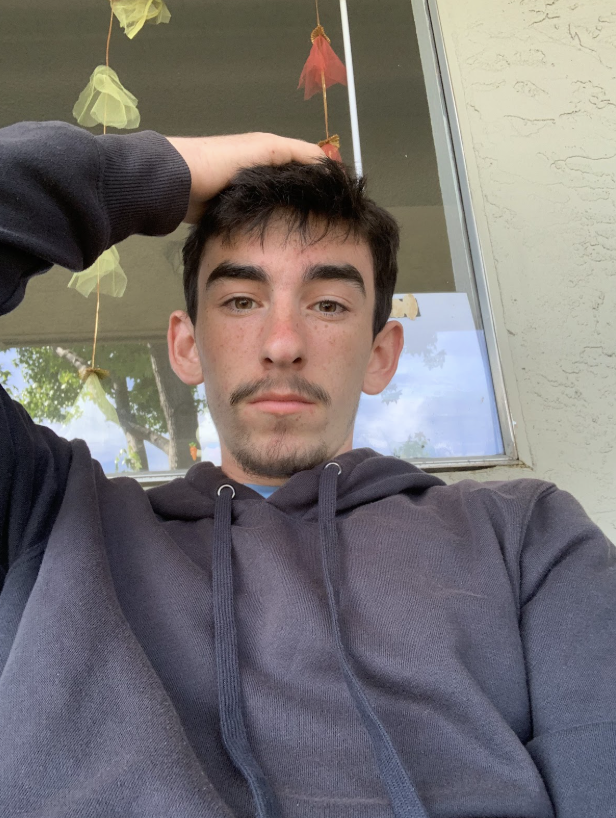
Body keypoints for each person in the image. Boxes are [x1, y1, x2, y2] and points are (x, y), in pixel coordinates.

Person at [0, 121, 614, 818]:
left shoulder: (526, 536)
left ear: (381, 355)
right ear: (186, 346)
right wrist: (162, 172)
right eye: (240, 300)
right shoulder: (48, 518)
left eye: (327, 304)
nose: (283, 343)